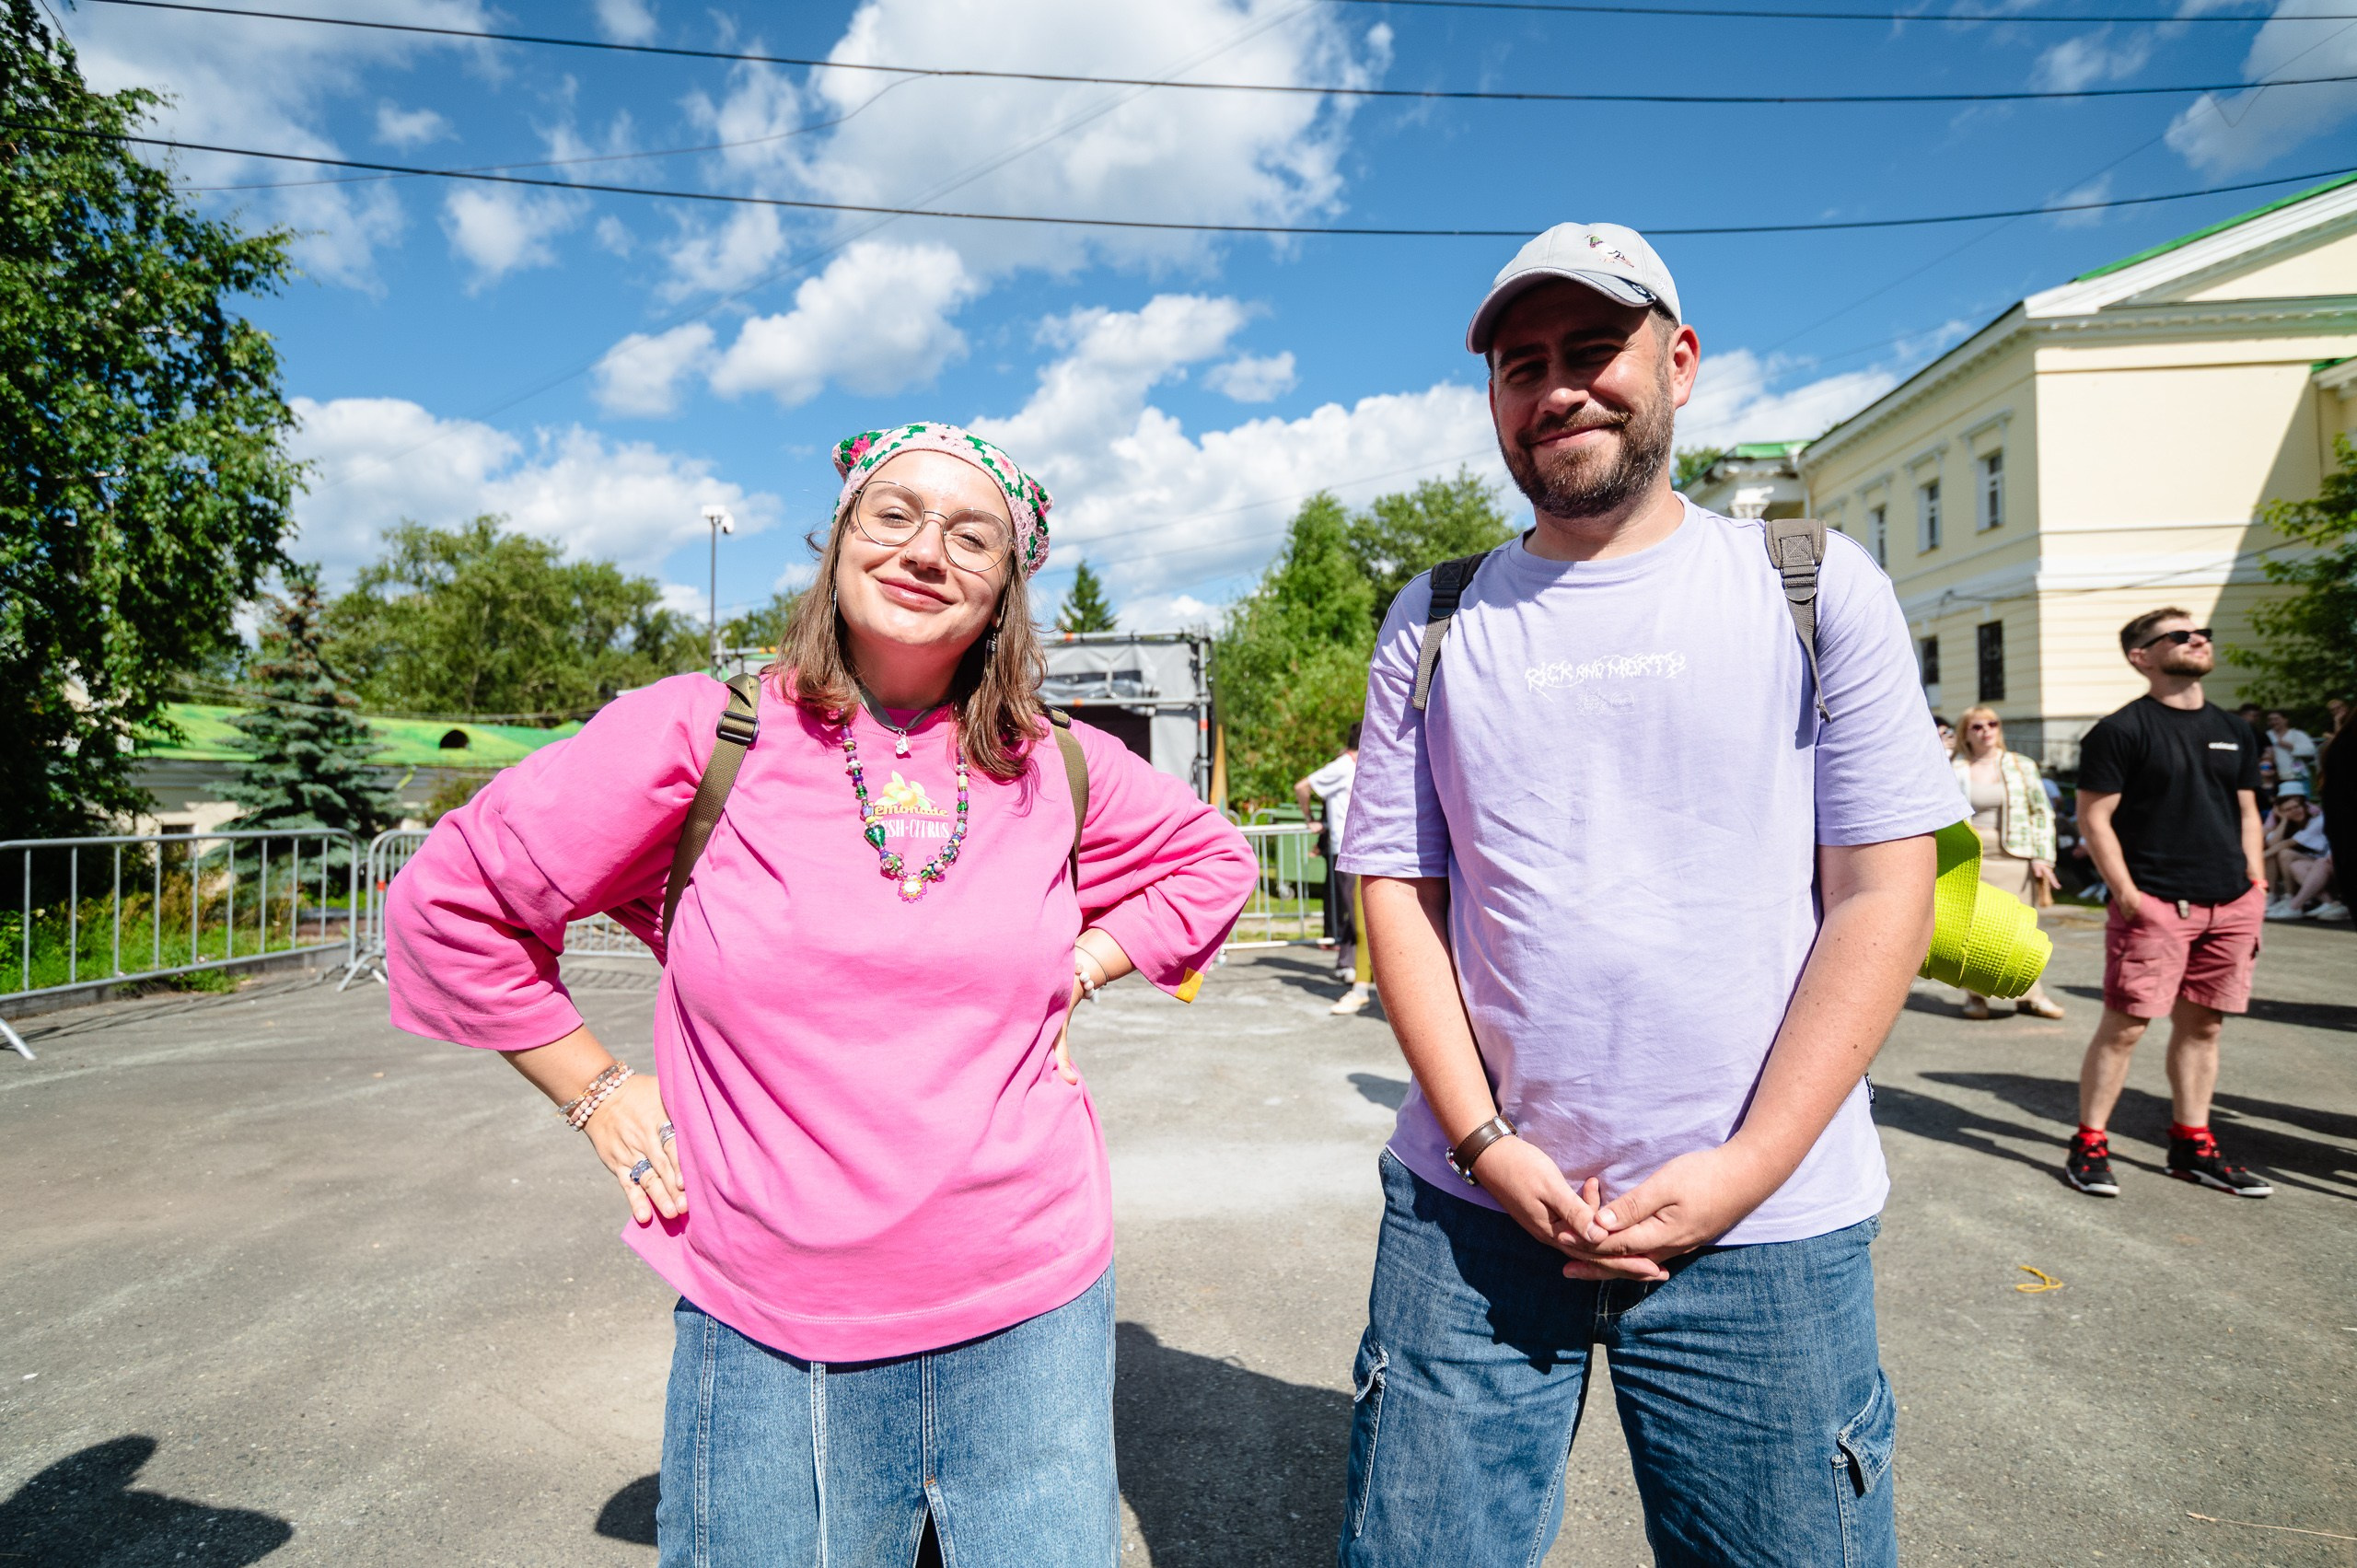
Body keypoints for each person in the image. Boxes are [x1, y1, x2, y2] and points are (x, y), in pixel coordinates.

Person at [385, 423, 1256, 1567]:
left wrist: (1082, 963)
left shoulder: (1053, 761)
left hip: (1031, 1308)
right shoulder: (703, 733)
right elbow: (452, 902)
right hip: (768, 1323)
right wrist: (595, 1090)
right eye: (893, 514)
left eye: (971, 536)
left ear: (1006, 587)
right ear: (838, 539)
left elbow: (1213, 859)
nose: (925, 550)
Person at [1335, 222, 1961, 1566]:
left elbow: (1880, 893)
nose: (1557, 388)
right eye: (1522, 365)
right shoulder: (1433, 620)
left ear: (1678, 362)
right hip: (1470, 1220)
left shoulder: (1812, 584)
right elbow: (1400, 895)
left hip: (1766, 1231)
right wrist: (1490, 1144)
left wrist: (1745, 1167)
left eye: (1592, 350)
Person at [2065, 610, 2272, 1200]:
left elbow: (2247, 811)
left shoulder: (2235, 728)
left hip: (2231, 904)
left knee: (2204, 1026)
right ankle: (2089, 1143)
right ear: (2142, 656)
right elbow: (2094, 819)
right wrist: (2130, 896)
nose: (2198, 639)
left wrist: (2256, 882)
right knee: (2126, 1026)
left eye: (2202, 632)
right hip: (2157, 904)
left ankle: (2192, 1145)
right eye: (2180, 635)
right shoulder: (2120, 731)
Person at [1952, 707, 2067, 1019]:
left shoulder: (2021, 765)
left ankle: (2031, 996)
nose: (1986, 731)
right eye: (1977, 726)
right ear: (1966, 733)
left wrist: (2043, 857)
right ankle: (1975, 997)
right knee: (1975, 930)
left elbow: (2041, 812)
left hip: (2015, 854)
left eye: (1992, 723)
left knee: (2021, 930)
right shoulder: (1955, 768)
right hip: (1971, 856)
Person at [1298, 722, 1372, 1015]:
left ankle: (1351, 966)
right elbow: (1302, 787)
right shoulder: (1342, 766)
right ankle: (1352, 970)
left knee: (1359, 913)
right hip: (1345, 848)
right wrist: (1310, 820)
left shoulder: (1356, 765)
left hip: (1360, 848)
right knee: (1356, 914)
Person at [2261, 784, 2345, 921]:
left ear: (2305, 806)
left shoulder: (2318, 820)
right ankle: (2328, 902)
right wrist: (2284, 820)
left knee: (2285, 853)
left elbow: (2287, 844)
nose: (2294, 811)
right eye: (2288, 810)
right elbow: (2272, 843)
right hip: (2316, 863)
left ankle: (2293, 905)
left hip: (2328, 863)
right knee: (2295, 865)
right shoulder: (2286, 823)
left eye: (2296, 807)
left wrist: (2257, 858)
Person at [2265, 708, 2317, 785]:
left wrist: (2291, 747)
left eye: (2276, 719)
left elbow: (2311, 750)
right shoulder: (2266, 736)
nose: (2273, 722)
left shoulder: (2298, 734)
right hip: (2275, 778)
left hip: (2298, 777)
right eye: (2270, 720)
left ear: (2285, 720)